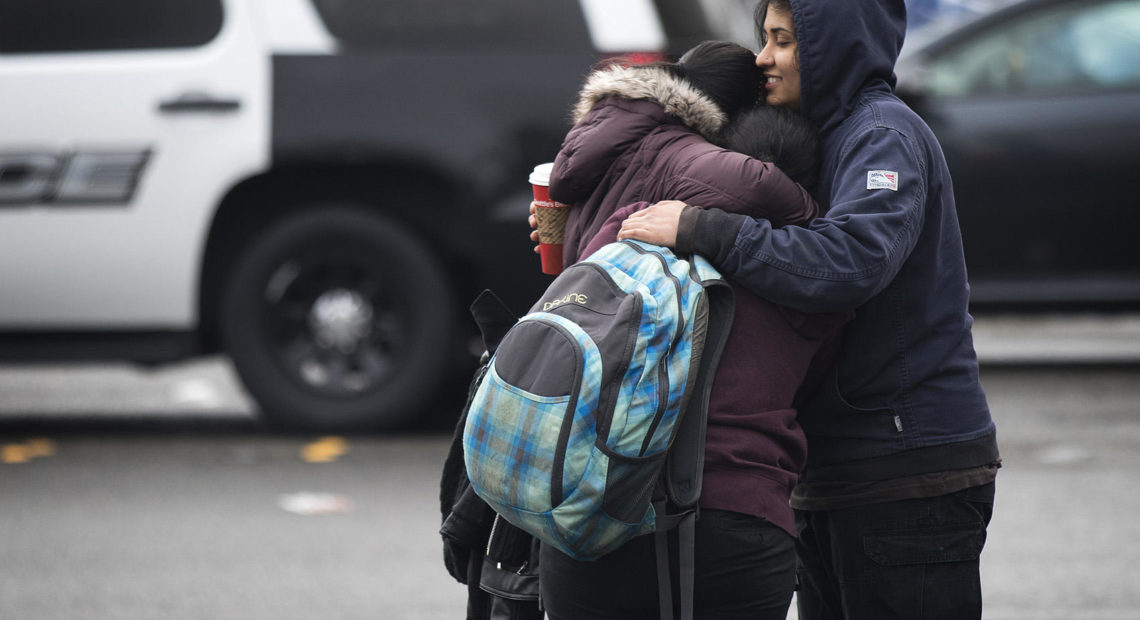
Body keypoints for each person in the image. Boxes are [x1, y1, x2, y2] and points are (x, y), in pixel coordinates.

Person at [616, 1, 1001, 618]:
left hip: (905, 470)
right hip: (827, 471)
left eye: (784, 41)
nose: (763, 59)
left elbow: (850, 262)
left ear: (835, 48)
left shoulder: (882, 135)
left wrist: (703, 228)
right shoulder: (813, 133)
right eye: (765, 38)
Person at [531, 40, 849, 620]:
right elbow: (784, 220)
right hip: (734, 511)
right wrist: (807, 213)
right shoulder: (793, 264)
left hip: (583, 497)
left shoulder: (607, 172)